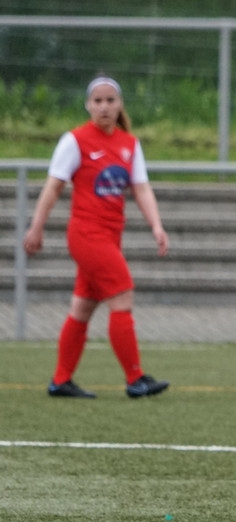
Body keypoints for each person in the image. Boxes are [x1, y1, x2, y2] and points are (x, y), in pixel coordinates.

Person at [23, 74, 170, 400]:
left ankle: (60, 381)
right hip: (87, 235)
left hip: (110, 236)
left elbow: (142, 189)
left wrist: (156, 226)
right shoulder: (75, 141)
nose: (104, 106)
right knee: (123, 295)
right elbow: (53, 187)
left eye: (110, 100)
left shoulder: (129, 144)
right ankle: (136, 379)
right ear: (88, 105)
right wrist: (37, 227)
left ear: (120, 105)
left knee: (82, 308)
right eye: (98, 101)